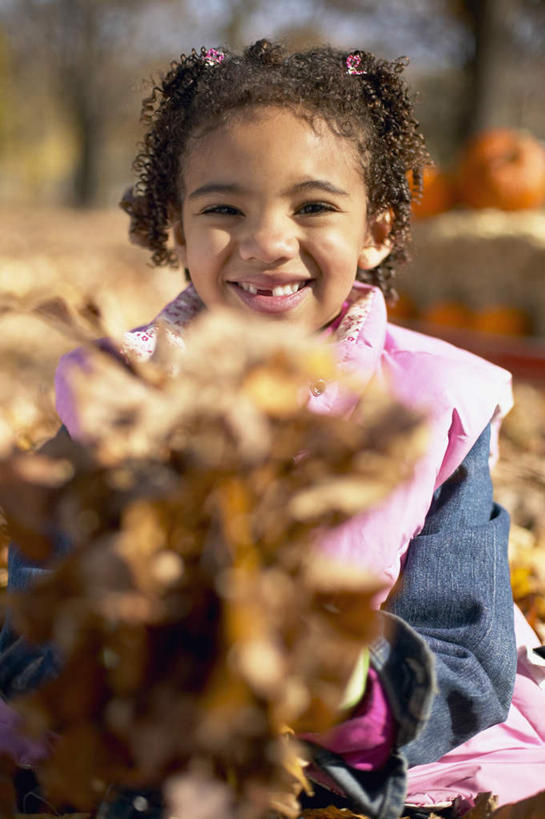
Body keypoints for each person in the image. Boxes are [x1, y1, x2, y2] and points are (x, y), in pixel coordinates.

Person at [2, 40, 545, 819]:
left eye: (314, 207)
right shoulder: (116, 398)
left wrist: (332, 681)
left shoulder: (434, 404)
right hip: (149, 751)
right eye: (223, 209)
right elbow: (28, 632)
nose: (266, 241)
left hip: (369, 768)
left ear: (378, 231)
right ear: (174, 227)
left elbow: (467, 659)